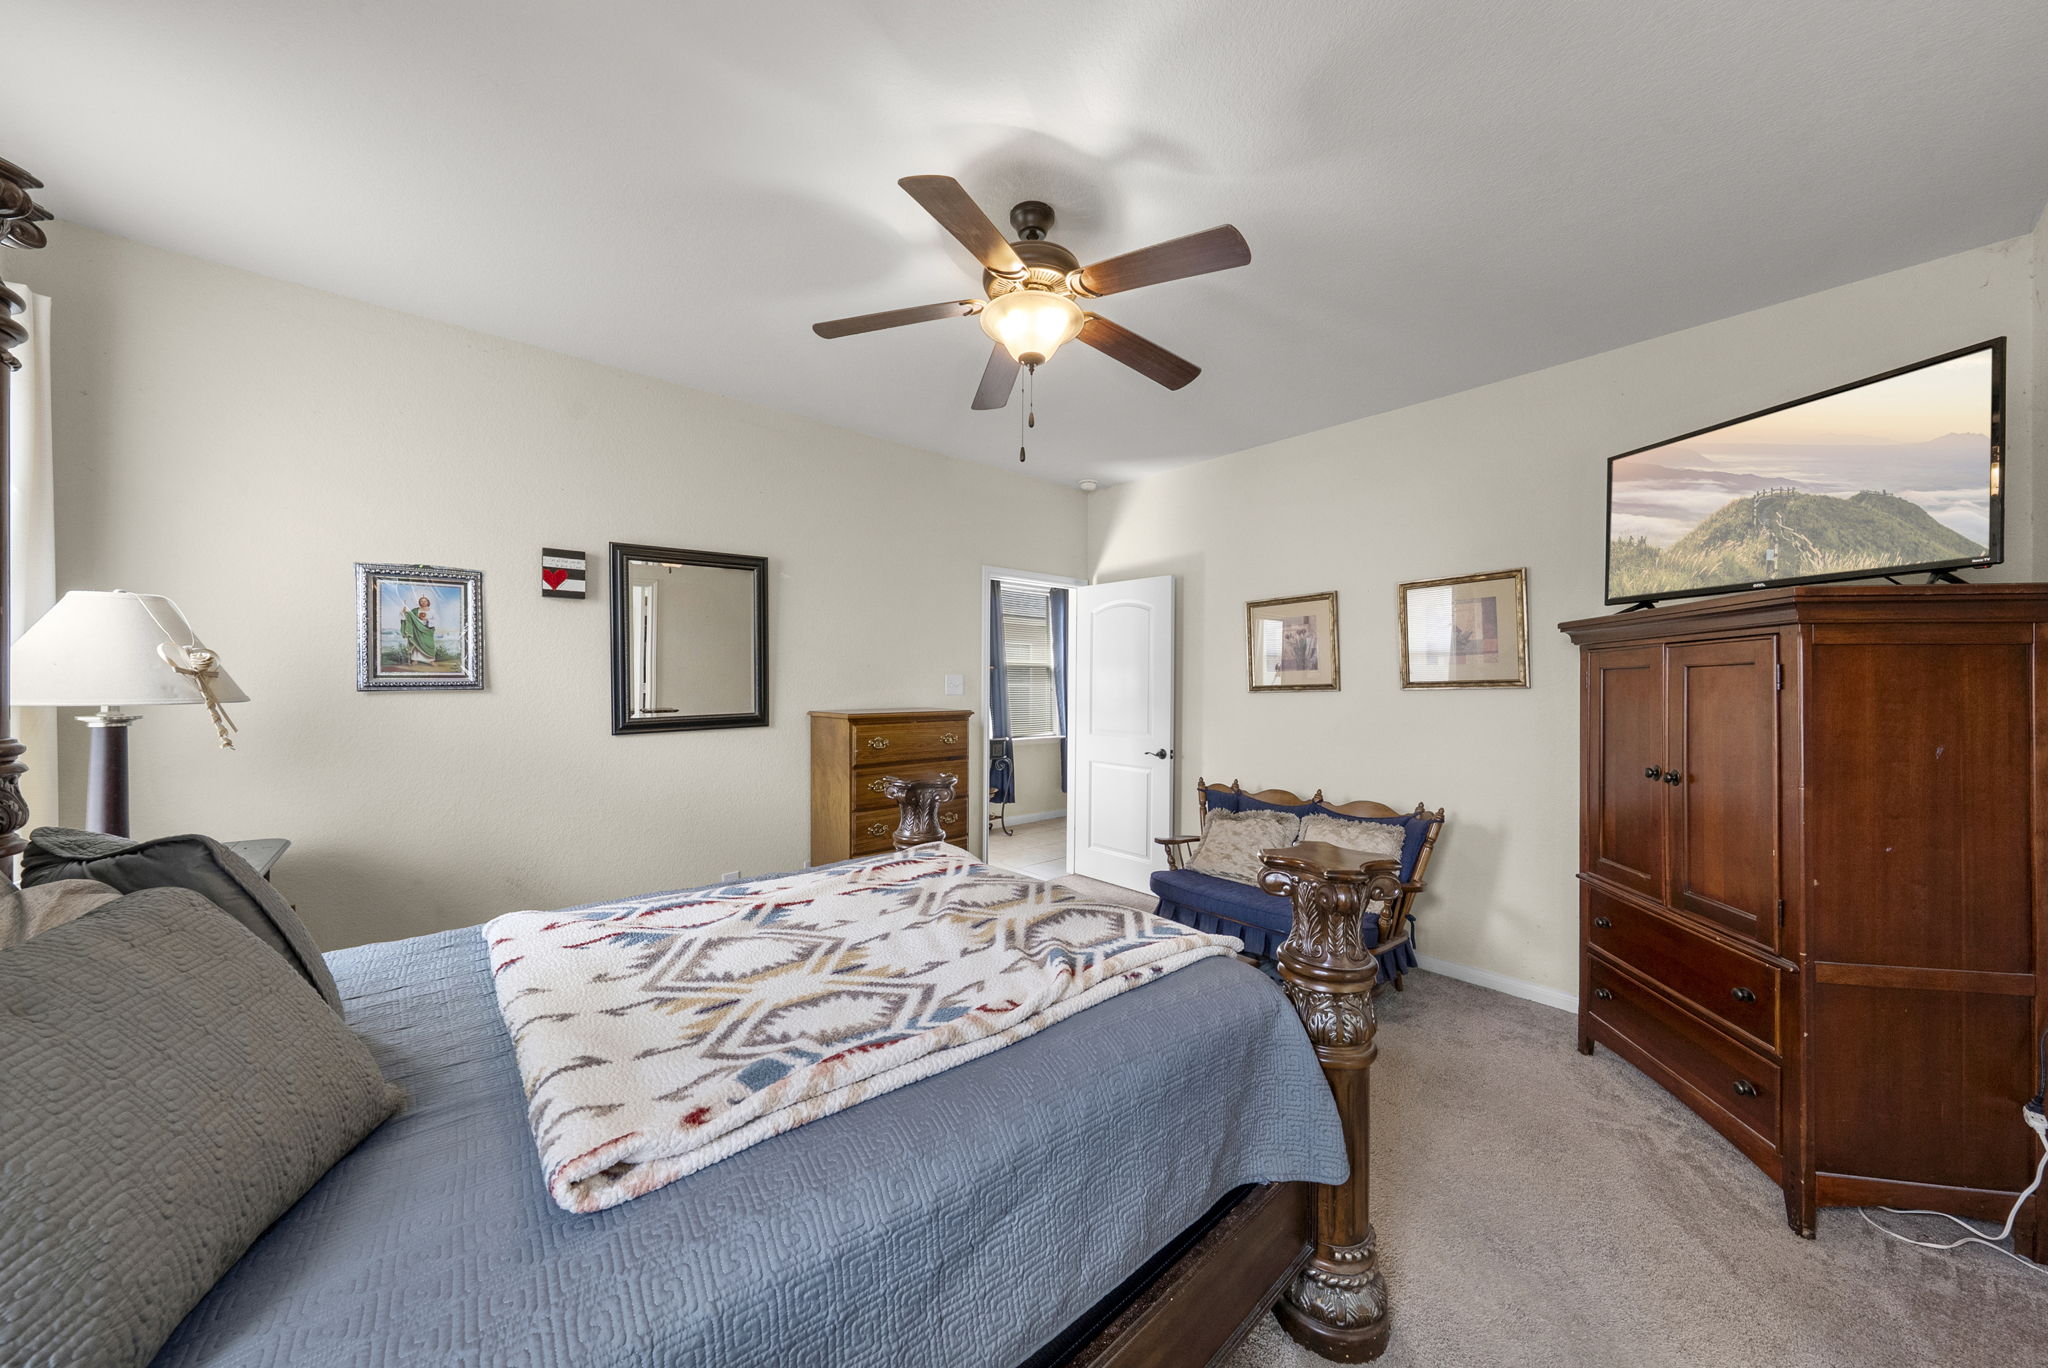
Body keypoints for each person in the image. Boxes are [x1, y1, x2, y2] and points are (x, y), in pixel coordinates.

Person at [399, 593, 438, 664]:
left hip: (427, 630)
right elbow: (409, 617)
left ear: (428, 602)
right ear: (419, 602)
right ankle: (415, 659)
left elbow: (436, 620)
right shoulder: (415, 610)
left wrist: (427, 620)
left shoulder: (432, 611)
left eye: (425, 601)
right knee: (416, 643)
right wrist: (404, 612)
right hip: (417, 630)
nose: (423, 602)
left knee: (429, 644)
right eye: (421, 601)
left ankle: (431, 660)